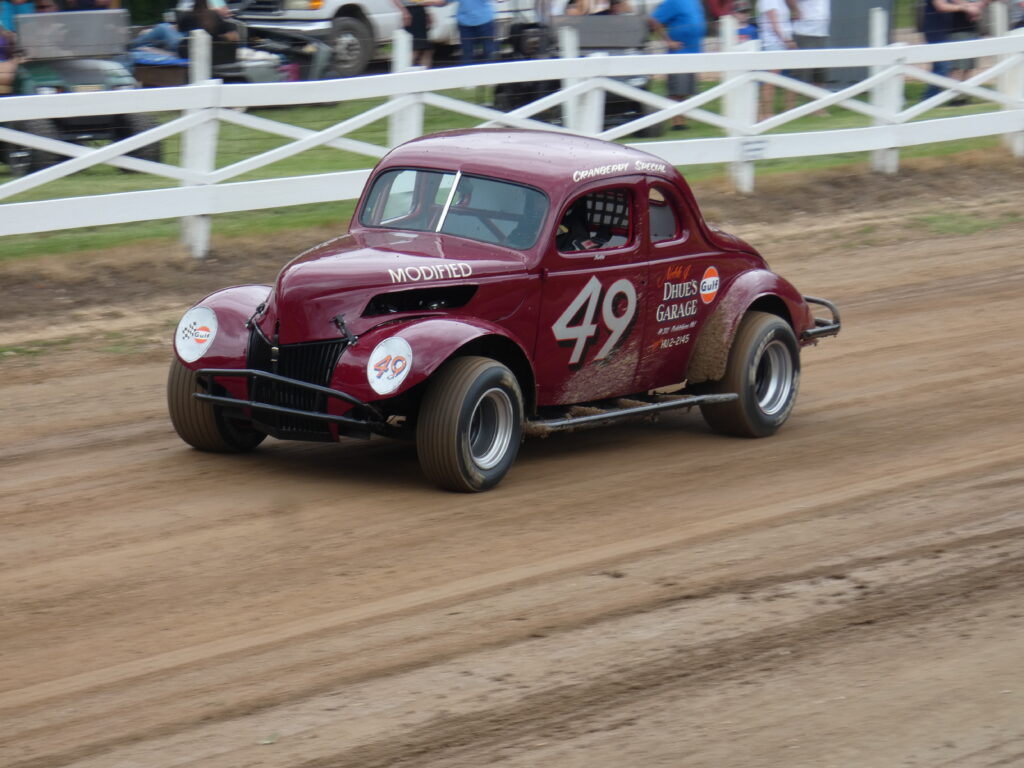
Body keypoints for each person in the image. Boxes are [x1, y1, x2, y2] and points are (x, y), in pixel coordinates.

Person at [648, 0, 705, 130]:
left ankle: (681, 119)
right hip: (679, 51)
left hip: (694, 51)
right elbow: (654, 20)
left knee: (686, 89)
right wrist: (668, 42)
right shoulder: (672, 2)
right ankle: (677, 123)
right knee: (677, 89)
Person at [920, 0, 982, 101]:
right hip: (935, 29)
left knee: (943, 66)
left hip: (945, 30)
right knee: (942, 67)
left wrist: (969, 6)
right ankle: (929, 98)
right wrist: (965, 8)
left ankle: (934, 98)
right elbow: (941, 6)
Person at [757, 0, 796, 120]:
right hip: (773, 43)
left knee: (790, 77)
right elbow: (774, 24)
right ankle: (766, 113)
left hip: (783, 42)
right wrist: (787, 41)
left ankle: (790, 110)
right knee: (771, 79)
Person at [792, 0, 828, 90]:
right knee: (801, 75)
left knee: (820, 74)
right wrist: (796, 11)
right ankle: (792, 103)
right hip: (805, 32)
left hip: (822, 33)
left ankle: (818, 102)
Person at [403, 0, 444, 68]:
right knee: (415, 47)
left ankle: (424, 71)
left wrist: (428, 13)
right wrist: (404, 12)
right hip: (412, 12)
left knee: (426, 48)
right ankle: (405, 70)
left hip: (420, 11)